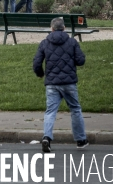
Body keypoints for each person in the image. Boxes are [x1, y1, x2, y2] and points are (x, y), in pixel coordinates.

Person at [33, 17, 88, 153]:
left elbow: (36, 63)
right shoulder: (72, 42)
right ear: (64, 28)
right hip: (69, 82)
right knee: (75, 109)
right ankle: (80, 140)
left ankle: (47, 137)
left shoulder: (45, 43)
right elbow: (80, 61)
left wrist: (40, 73)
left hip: (52, 82)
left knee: (50, 111)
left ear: (51, 29)